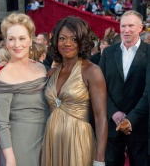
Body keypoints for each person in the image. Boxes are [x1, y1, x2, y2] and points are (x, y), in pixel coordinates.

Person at [41, 16, 108, 166]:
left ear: (82, 42)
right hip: (52, 141)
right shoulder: (52, 73)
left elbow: (101, 117)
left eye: (74, 39)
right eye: (63, 38)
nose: (68, 43)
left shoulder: (92, 71)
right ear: (56, 41)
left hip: (79, 142)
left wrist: (99, 160)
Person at [0, 13, 49, 166]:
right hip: (19, 147)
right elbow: (1, 123)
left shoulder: (41, 67)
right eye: (11, 39)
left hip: (47, 140)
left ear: (31, 40)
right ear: (6, 42)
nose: (17, 44)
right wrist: (10, 159)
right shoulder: (3, 77)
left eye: (22, 38)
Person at [99, 10, 149, 166]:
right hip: (112, 125)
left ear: (140, 28)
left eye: (131, 26)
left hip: (141, 126)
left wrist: (130, 120)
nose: (126, 30)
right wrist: (114, 113)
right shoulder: (108, 53)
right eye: (123, 26)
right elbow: (99, 87)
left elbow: (149, 93)